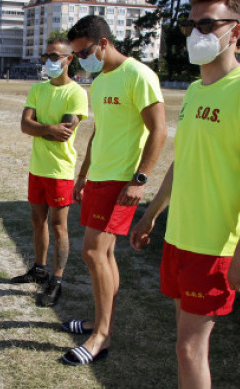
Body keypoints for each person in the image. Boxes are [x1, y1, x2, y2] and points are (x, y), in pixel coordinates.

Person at [126, 1, 240, 389]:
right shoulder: (195, 90)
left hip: (216, 245)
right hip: (181, 237)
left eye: (207, 24)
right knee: (182, 338)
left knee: (191, 345)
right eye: (190, 24)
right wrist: (153, 212)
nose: (196, 32)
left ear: (236, 31)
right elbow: (184, 161)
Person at [59, 16, 166, 365]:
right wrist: (82, 176)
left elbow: (159, 131)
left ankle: (101, 336)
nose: (82, 61)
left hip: (122, 181)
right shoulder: (100, 81)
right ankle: (99, 321)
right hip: (99, 179)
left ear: (103, 43)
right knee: (104, 255)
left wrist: (140, 180)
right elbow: (99, 133)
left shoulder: (139, 75)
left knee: (92, 253)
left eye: (85, 52)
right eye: (76, 55)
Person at [12, 37, 89, 307]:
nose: (49, 61)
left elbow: (63, 134)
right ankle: (39, 269)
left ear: (70, 59)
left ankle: (56, 280)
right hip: (37, 168)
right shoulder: (37, 89)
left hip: (60, 171)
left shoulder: (76, 93)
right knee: (37, 221)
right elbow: (24, 125)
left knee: (59, 227)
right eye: (47, 56)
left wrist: (39, 127)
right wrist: (48, 128)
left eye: (55, 57)